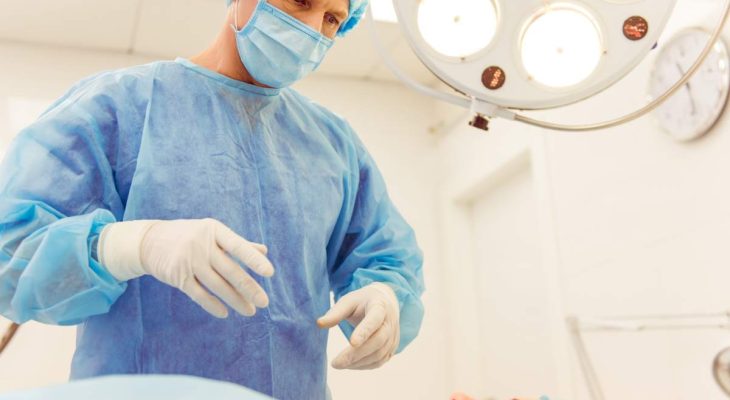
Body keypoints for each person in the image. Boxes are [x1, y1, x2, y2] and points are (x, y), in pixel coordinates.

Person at [0, 0, 425, 398]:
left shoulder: (333, 144)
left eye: (333, 19)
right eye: (301, 0)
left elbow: (385, 257)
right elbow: (13, 251)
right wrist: (135, 245)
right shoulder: (121, 106)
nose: (313, 29)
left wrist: (386, 297)